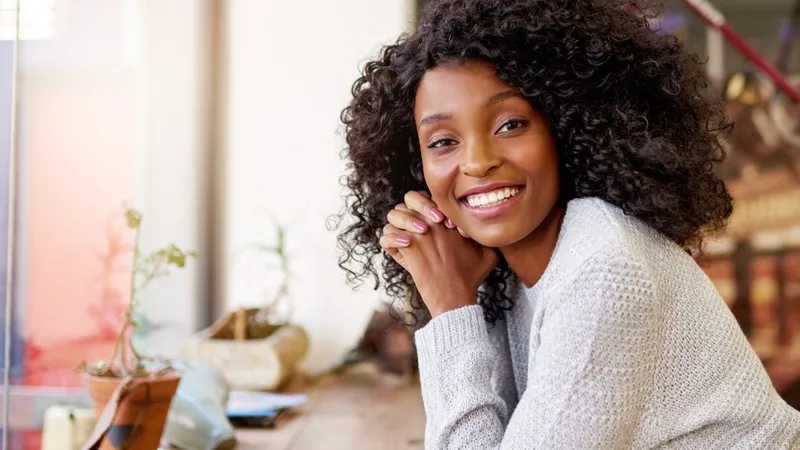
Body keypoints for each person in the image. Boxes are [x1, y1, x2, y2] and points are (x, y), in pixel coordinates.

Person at [334, 0, 800, 448]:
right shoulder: (507, 273)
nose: (476, 162)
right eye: (442, 141)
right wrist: (461, 299)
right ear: (416, 170)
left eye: (511, 125)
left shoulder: (603, 267)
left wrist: (452, 309)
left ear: (568, 127)